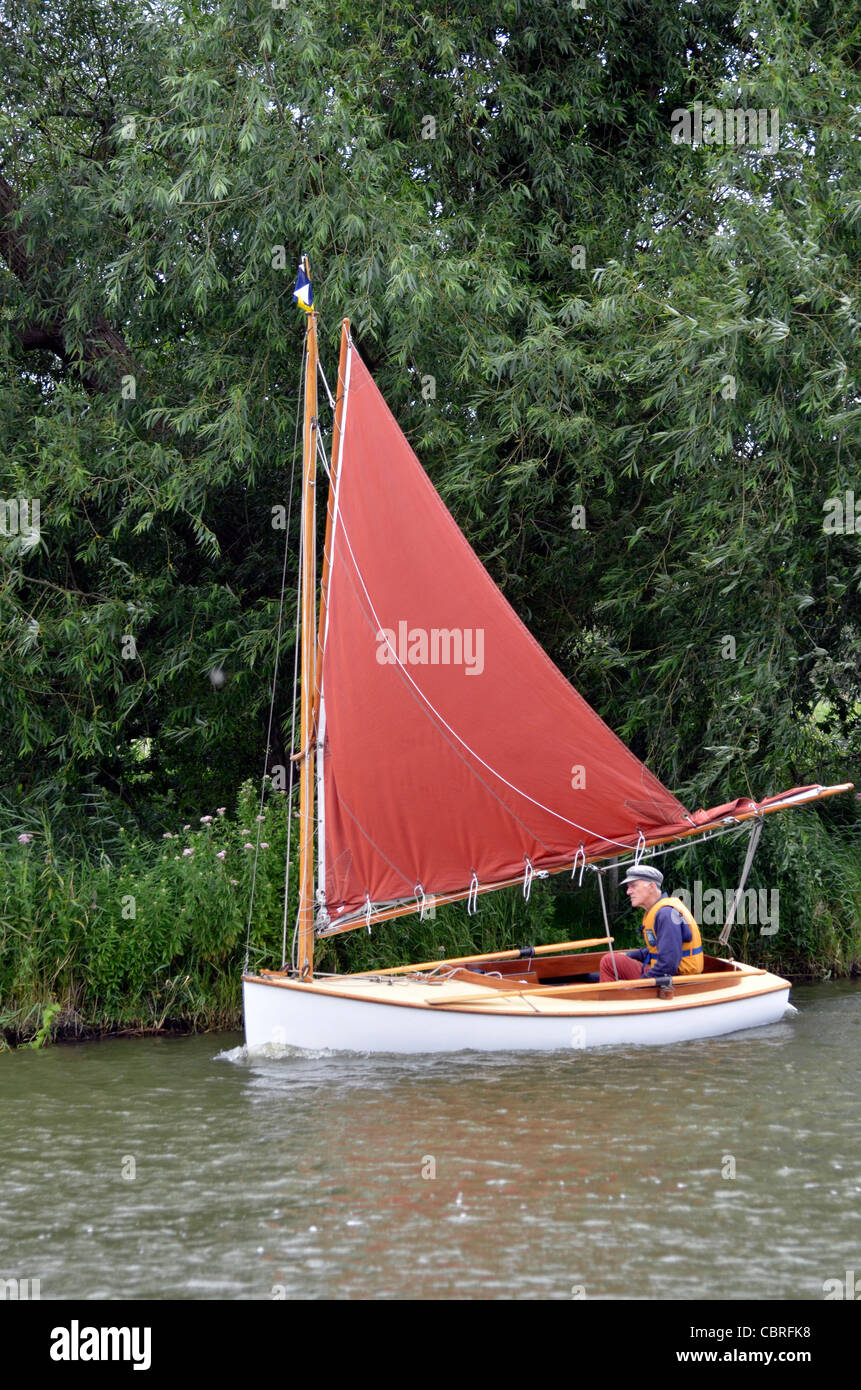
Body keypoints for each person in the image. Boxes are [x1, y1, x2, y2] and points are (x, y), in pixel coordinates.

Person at [596, 864, 703, 983]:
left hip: (678, 981)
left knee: (609, 962)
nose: (628, 892)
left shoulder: (665, 914)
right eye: (628, 887)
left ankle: (610, 999)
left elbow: (667, 966)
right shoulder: (658, 912)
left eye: (633, 886)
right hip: (667, 975)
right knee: (614, 960)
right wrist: (629, 955)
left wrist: (636, 986)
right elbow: (657, 950)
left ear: (651, 886)